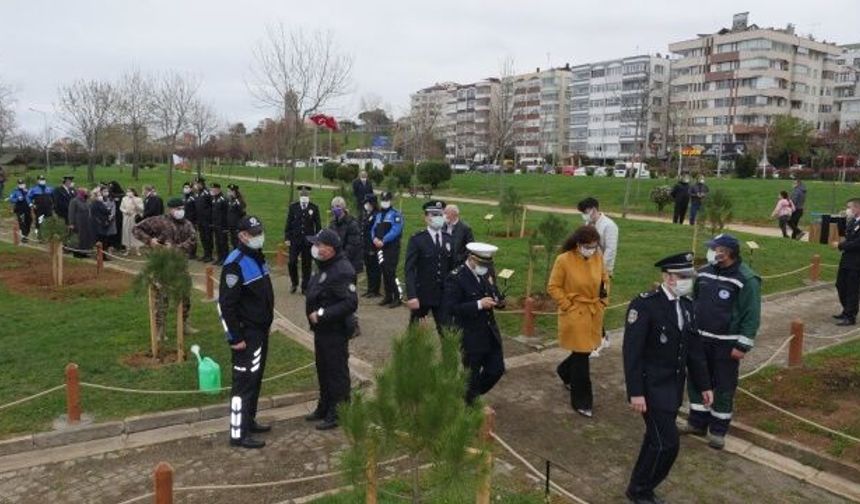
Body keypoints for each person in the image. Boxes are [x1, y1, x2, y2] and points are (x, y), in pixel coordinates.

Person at [623, 252, 713, 504]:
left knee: (655, 439)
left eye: (689, 276)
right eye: (682, 276)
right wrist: (635, 392)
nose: (687, 281)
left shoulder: (687, 305)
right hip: (650, 388)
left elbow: (694, 351)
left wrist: (704, 385)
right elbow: (632, 353)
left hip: (673, 389)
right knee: (667, 444)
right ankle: (640, 489)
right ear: (667, 277)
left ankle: (639, 487)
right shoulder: (645, 305)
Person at [682, 233, 760, 449]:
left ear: (727, 253)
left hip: (726, 344)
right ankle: (697, 422)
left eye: (715, 249)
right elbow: (693, 300)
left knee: (723, 386)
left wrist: (742, 344)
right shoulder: (704, 273)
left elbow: (751, 314)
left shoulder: (747, 279)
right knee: (697, 381)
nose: (711, 252)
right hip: (700, 339)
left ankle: (718, 430)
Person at [218, 215, 274, 449]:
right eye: (254, 233)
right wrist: (235, 337)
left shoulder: (257, 256)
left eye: (259, 231)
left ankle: (249, 421)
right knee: (243, 383)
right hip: (246, 335)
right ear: (242, 236)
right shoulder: (235, 262)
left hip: (259, 331)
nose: (258, 236)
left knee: (255, 379)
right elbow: (225, 305)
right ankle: (238, 433)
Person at [547, 226, 609, 418]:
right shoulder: (563, 260)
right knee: (582, 358)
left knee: (584, 350)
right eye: (588, 246)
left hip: (593, 311)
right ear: (578, 244)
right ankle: (582, 401)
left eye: (594, 246)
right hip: (575, 313)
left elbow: (605, 280)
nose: (591, 249)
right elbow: (553, 286)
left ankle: (564, 371)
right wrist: (567, 305)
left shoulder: (597, 256)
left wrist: (603, 300)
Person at [304, 229, 358, 430]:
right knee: (323, 369)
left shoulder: (342, 270)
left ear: (331, 248)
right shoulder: (326, 265)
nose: (315, 248)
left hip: (334, 329)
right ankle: (325, 405)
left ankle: (339, 412)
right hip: (322, 331)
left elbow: (350, 303)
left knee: (336, 372)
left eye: (319, 245)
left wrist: (321, 314)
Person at [443, 242, 506, 404]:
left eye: (487, 264)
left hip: (490, 333)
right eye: (482, 264)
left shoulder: (485, 272)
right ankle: (469, 405)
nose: (485, 268)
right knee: (471, 375)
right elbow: (451, 308)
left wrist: (498, 300)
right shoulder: (456, 277)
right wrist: (478, 304)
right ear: (471, 258)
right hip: (470, 335)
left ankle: (471, 395)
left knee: (496, 369)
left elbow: (494, 292)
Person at [133, 198, 200, 340]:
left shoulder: (187, 224)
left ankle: (184, 323)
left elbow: (193, 240)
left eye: (182, 208)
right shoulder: (158, 221)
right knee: (162, 298)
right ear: (171, 209)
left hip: (180, 266)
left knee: (185, 296)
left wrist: (175, 249)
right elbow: (136, 229)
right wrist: (150, 241)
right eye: (178, 208)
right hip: (162, 267)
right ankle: (160, 329)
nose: (181, 211)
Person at [578, 196, 618, 353]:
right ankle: (602, 337)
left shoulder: (609, 226)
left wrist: (602, 272)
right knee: (589, 306)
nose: (584, 214)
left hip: (602, 272)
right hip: (587, 269)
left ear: (593, 209)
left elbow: (611, 250)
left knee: (598, 306)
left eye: (585, 211)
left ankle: (598, 341)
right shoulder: (588, 224)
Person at [405, 200, 452, 332]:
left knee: (446, 332)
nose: (438, 218)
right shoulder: (417, 239)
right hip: (422, 294)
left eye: (440, 215)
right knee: (416, 332)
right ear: (426, 218)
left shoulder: (448, 238)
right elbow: (409, 269)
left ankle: (447, 353)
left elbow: (452, 267)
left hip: (442, 295)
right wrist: (412, 295)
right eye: (434, 215)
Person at [285, 185, 322, 294]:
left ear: (309, 196)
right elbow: (288, 223)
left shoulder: (314, 208)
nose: (304, 196)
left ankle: (305, 286)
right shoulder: (293, 207)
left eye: (306, 194)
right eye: (302, 194)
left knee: (307, 264)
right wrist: (287, 237)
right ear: (299, 195)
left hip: (308, 241)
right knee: (292, 262)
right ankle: (294, 283)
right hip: (295, 240)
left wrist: (317, 240)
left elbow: (318, 226)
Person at [371, 191, 404, 308]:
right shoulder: (379, 215)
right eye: (383, 200)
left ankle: (398, 296)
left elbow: (396, 230)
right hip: (379, 247)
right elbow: (373, 228)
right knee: (384, 271)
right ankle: (388, 296)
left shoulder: (396, 214)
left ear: (391, 201)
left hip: (391, 247)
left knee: (391, 272)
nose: (384, 203)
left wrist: (383, 240)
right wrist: (374, 238)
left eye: (386, 200)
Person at [833, 198, 860, 326]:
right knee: (840, 284)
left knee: (852, 289)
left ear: (858, 208)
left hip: (856, 262)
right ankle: (846, 310)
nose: (849, 210)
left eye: (851, 207)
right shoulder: (854, 221)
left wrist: (840, 245)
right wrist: (841, 219)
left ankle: (851, 316)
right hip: (846, 259)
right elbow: (844, 234)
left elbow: (857, 243)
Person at [328, 196, 362, 273]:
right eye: (333, 207)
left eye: (337, 206)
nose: (335, 209)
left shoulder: (352, 224)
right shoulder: (332, 224)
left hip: (350, 263)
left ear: (343, 208)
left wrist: (339, 258)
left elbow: (352, 245)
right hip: (336, 261)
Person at [361, 194, 382, 298]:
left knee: (375, 268)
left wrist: (373, 247)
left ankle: (375, 290)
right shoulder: (367, 214)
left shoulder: (376, 214)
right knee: (369, 268)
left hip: (373, 245)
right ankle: (370, 289)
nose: (366, 205)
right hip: (366, 245)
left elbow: (375, 231)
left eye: (367, 202)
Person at [444, 204, 475, 269]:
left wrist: (460, 258)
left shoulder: (465, 228)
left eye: (446, 213)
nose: (444, 216)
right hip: (444, 260)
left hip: (457, 263)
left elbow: (471, 246)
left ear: (454, 215)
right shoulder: (443, 226)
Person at [193, 177, 214, 262]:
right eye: (196, 184)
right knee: (202, 237)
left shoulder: (207, 193)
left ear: (202, 184)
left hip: (207, 220)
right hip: (200, 220)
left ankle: (209, 255)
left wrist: (211, 220)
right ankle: (205, 254)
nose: (196, 185)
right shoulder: (197, 193)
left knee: (208, 237)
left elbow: (212, 207)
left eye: (198, 184)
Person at [120, 188, 144, 255]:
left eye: (130, 191)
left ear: (133, 192)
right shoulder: (124, 199)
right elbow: (121, 207)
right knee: (126, 232)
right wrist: (126, 211)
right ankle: (127, 249)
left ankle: (137, 250)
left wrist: (134, 202)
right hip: (127, 217)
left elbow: (141, 209)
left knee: (135, 232)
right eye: (127, 191)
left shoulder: (138, 199)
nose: (128, 193)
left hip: (134, 217)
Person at [211, 183, 229, 265]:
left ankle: (225, 258)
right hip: (216, 224)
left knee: (223, 243)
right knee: (217, 242)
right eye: (212, 189)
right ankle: (219, 258)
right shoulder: (214, 199)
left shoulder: (223, 199)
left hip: (222, 225)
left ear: (219, 190)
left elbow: (226, 214)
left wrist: (226, 227)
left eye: (214, 189)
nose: (213, 190)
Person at [226, 184, 247, 249]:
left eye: (230, 191)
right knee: (233, 242)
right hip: (231, 225)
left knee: (237, 242)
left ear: (234, 192)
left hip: (237, 225)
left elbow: (242, 211)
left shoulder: (238, 201)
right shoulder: (230, 201)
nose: (228, 193)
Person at [182, 182, 198, 260]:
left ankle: (193, 253)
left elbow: (196, 210)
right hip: (184, 220)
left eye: (187, 187)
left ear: (191, 189)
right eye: (185, 187)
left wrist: (194, 220)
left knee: (192, 237)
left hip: (192, 221)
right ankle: (187, 251)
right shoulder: (184, 197)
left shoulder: (193, 198)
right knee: (185, 236)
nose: (185, 189)